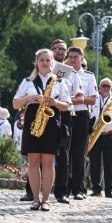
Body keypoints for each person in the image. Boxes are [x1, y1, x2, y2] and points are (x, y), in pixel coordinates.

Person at [13, 48, 70, 212]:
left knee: (48, 162)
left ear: (53, 63)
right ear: (36, 63)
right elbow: (16, 104)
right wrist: (29, 98)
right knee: (33, 162)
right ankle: (35, 199)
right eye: (42, 60)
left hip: (51, 121)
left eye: (48, 60)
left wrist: (55, 103)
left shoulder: (59, 81)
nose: (45, 63)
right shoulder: (27, 81)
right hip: (33, 121)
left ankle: (46, 200)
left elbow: (66, 106)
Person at [51, 39, 84, 204]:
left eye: (62, 49)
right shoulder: (44, 67)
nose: (59, 52)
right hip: (47, 113)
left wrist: (65, 100)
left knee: (64, 155)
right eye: (56, 49)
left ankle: (61, 192)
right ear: (51, 50)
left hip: (64, 113)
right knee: (40, 152)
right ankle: (32, 190)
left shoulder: (72, 73)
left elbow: (80, 96)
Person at [67, 46, 97, 200]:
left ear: (81, 59)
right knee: (65, 152)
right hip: (65, 113)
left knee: (79, 153)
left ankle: (79, 189)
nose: (72, 60)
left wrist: (80, 99)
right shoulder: (62, 74)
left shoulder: (88, 76)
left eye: (75, 57)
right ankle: (64, 188)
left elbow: (93, 99)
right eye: (70, 57)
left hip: (81, 114)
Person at [88, 77, 112, 198]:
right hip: (95, 134)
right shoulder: (94, 99)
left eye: (108, 86)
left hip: (109, 134)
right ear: (99, 87)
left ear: (111, 88)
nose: (105, 88)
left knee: (109, 164)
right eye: (103, 86)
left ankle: (109, 190)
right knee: (95, 163)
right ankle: (96, 188)